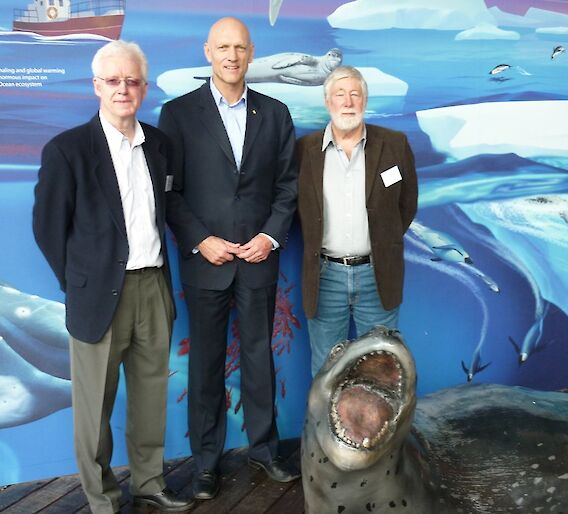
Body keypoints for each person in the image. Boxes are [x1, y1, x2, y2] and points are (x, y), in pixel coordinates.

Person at [32, 41, 194, 514]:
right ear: (97, 86)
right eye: (114, 81)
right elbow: (48, 228)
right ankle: (101, 499)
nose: (124, 89)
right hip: (98, 294)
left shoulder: (160, 146)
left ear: (143, 87)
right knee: (93, 407)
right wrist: (78, 282)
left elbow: (170, 209)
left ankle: (149, 482)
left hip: (153, 287)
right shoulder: (67, 150)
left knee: (150, 398)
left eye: (132, 81)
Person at [158, 17, 299, 500]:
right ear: (208, 52)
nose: (232, 55)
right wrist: (201, 240)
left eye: (240, 47)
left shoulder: (275, 114)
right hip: (207, 262)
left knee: (260, 359)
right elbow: (170, 193)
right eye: (223, 47)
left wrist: (270, 237)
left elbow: (287, 186)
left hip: (259, 258)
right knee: (206, 364)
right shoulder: (177, 115)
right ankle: (205, 462)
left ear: (252, 52)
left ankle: (263, 449)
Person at [297, 65, 418, 376]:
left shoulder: (395, 145)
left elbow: (406, 205)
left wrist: (381, 243)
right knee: (327, 369)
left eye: (355, 94)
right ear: (328, 102)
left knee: (382, 369)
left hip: (377, 275)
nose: (348, 102)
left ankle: (383, 428)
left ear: (365, 100)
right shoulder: (304, 151)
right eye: (340, 94)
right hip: (325, 276)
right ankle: (324, 427)